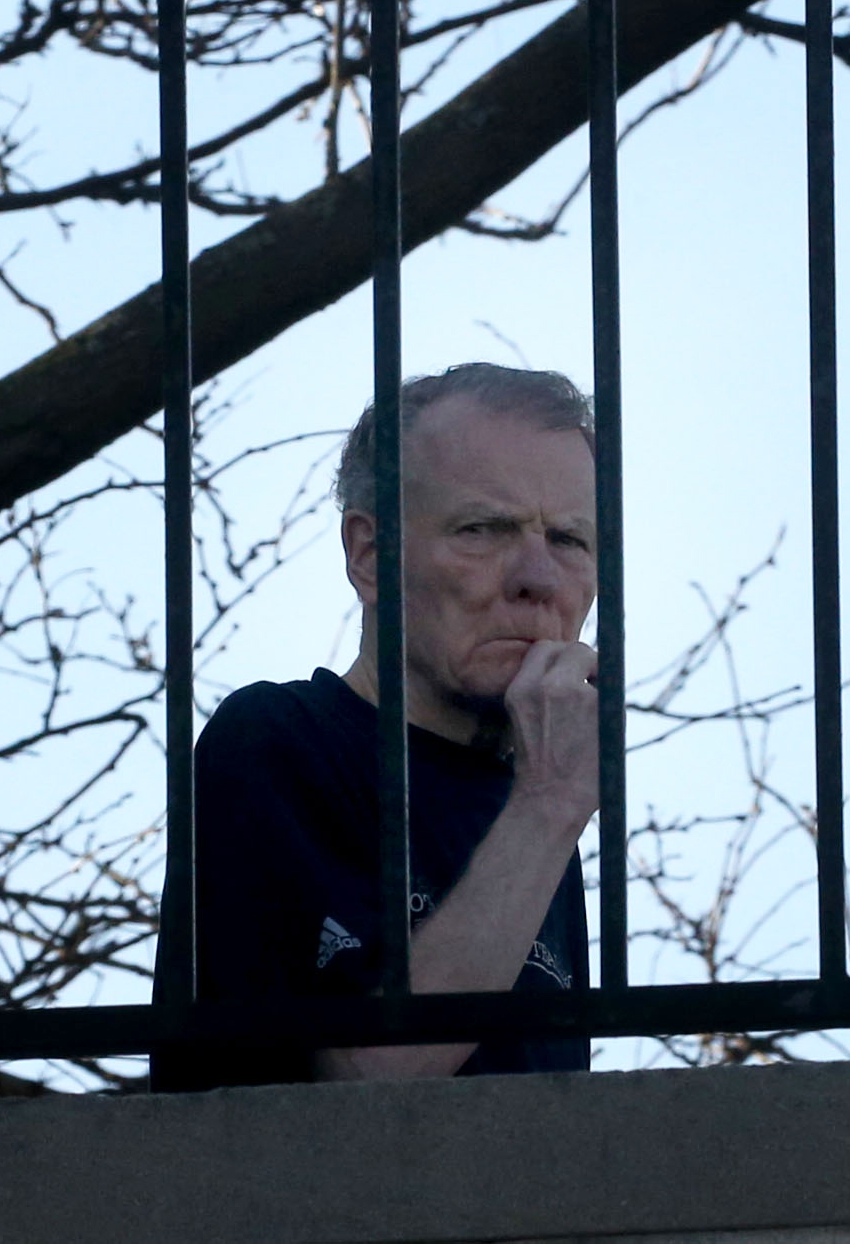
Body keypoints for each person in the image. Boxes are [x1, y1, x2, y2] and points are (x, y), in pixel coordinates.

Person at [161, 363, 601, 1086]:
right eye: (483, 528)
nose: (538, 577)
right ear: (370, 555)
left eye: (569, 539)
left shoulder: (532, 805)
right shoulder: (274, 739)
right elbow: (364, 1086)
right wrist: (548, 807)